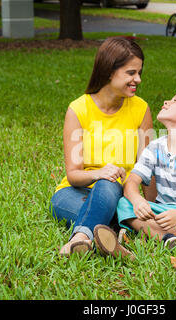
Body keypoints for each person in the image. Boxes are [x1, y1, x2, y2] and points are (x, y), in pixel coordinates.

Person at [50, 36, 155, 256]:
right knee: (106, 183)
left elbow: (148, 167)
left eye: (139, 73)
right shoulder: (78, 110)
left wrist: (155, 206)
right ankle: (113, 234)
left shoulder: (141, 109)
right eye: (131, 73)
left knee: (110, 184)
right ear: (108, 70)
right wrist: (99, 173)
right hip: (73, 193)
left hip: (119, 194)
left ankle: (81, 239)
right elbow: (74, 175)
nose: (138, 79)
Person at [93, 88, 176, 254]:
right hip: (162, 211)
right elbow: (132, 181)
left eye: (175, 101)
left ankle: (153, 233)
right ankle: (170, 238)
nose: (166, 102)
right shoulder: (155, 147)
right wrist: (138, 200)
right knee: (124, 203)